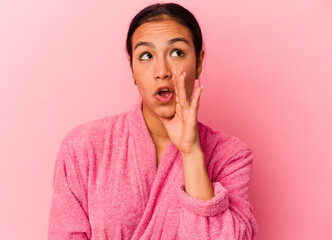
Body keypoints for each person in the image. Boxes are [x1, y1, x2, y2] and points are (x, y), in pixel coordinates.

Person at [48, 3, 258, 240]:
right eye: (146, 56)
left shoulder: (232, 157)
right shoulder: (82, 147)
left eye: (177, 52)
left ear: (198, 62)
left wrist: (191, 154)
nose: (162, 71)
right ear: (132, 68)